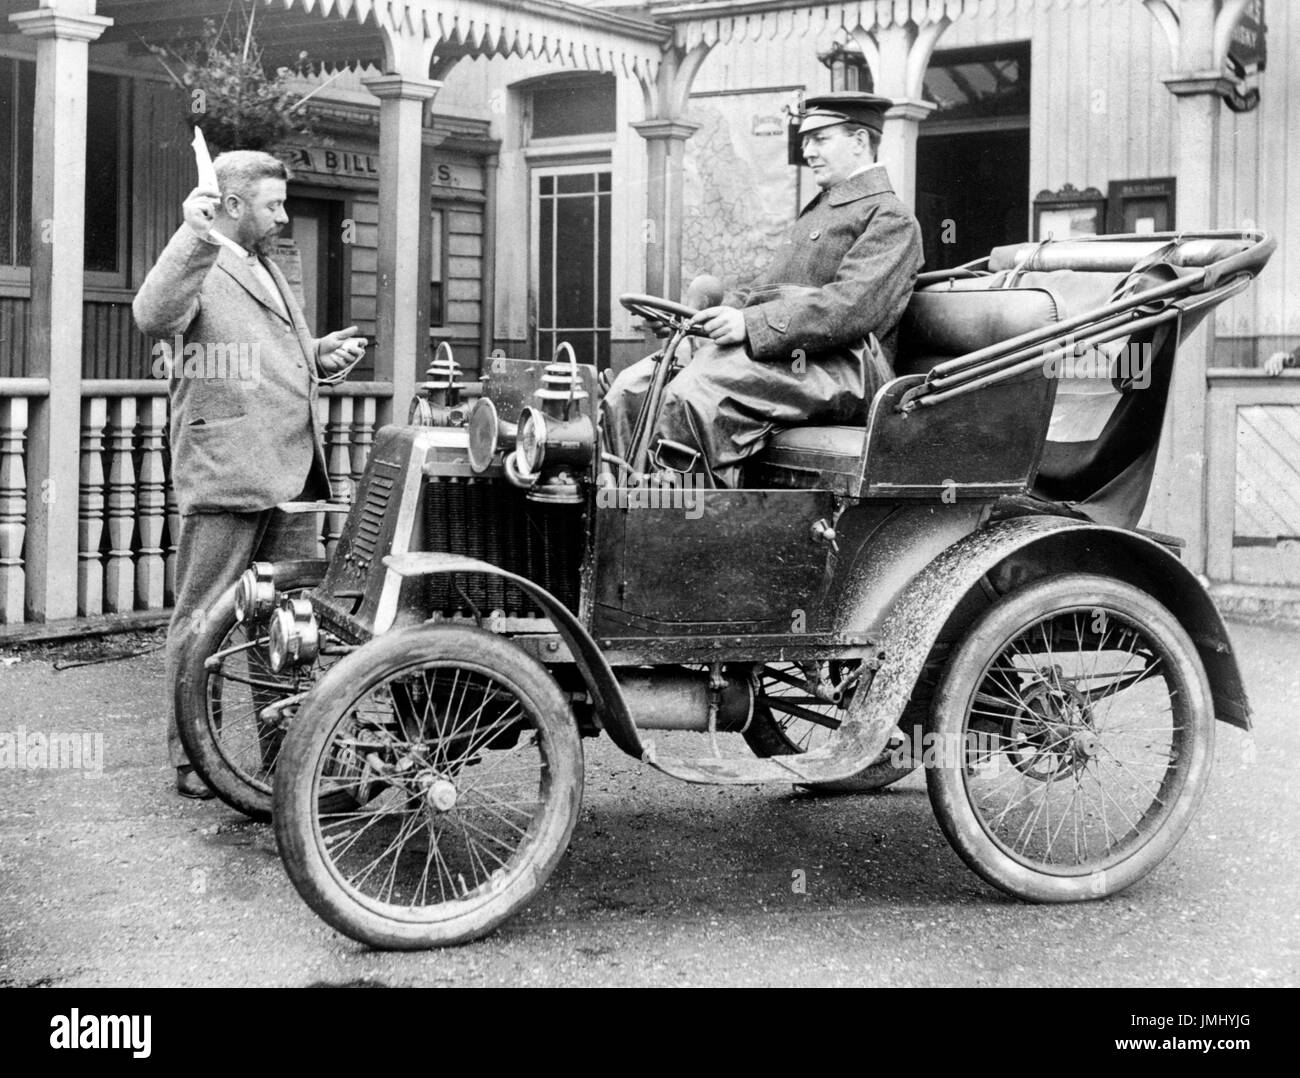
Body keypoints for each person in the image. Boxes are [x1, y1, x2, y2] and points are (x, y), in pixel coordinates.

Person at [133, 150, 366, 798]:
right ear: (232, 206)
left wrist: (319, 354)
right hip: (229, 472)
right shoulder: (202, 260)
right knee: (205, 617)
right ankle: (193, 759)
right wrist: (192, 232)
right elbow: (153, 316)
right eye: (273, 205)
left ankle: (288, 757)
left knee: (289, 622)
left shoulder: (266, 265)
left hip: (289, 474)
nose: (284, 216)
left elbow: (273, 354)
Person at [602, 92, 924, 488]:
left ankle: (687, 527)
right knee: (631, 388)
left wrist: (750, 325)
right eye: (805, 141)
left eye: (820, 139)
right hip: (792, 355)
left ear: (860, 141)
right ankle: (621, 507)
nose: (808, 151)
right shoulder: (823, 210)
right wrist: (703, 322)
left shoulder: (890, 218)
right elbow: (763, 291)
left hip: (842, 367)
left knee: (696, 395)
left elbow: (848, 310)